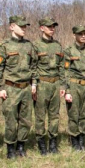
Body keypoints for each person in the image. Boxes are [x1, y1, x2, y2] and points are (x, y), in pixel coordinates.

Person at [0, 15, 38, 159]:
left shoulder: (29, 45)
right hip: (10, 88)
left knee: (26, 120)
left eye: (25, 26)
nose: (24, 29)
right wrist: (0, 88)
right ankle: (10, 148)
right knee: (11, 120)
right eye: (21, 26)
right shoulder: (4, 46)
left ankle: (21, 146)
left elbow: (34, 66)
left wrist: (34, 83)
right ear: (12, 27)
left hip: (26, 88)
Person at [63, 25, 85, 151]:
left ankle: (82, 138)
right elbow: (65, 71)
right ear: (74, 35)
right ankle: (74, 139)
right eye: (80, 34)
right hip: (74, 85)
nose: (83, 36)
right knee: (73, 113)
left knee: (84, 114)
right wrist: (67, 91)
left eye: (84, 33)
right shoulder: (68, 51)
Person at [32, 17, 64, 155]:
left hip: (55, 83)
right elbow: (33, 66)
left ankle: (53, 143)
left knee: (54, 115)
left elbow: (62, 66)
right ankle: (41, 143)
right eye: (49, 26)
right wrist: (34, 84)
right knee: (40, 115)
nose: (52, 29)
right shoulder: (35, 45)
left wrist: (63, 85)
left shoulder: (58, 45)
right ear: (42, 28)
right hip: (42, 84)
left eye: (53, 26)